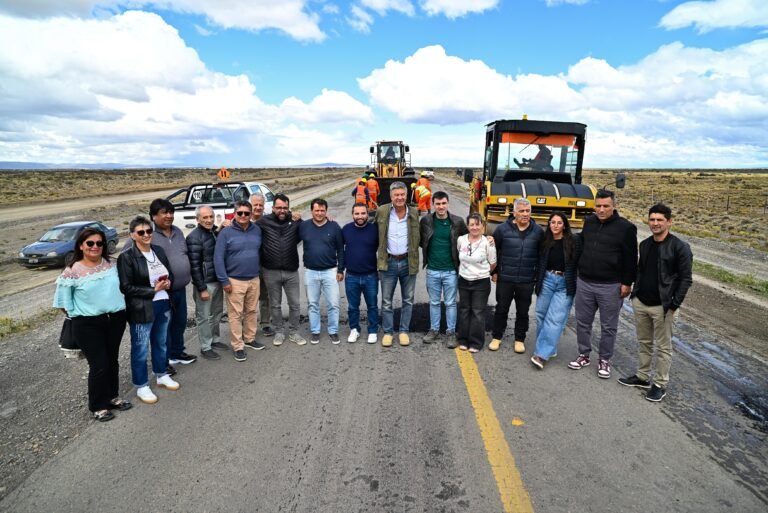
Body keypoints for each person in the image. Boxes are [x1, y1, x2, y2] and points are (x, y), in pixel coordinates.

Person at [53, 228, 129, 422]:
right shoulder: (72, 271)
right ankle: (98, 405)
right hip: (87, 324)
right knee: (99, 364)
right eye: (90, 243)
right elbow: (63, 303)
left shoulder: (112, 264)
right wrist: (83, 314)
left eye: (99, 243)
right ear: (81, 245)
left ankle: (113, 396)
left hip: (115, 319)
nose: (95, 247)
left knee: (112, 360)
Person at [619, 203, 692, 402]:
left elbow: (686, 279)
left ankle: (660, 384)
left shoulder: (680, 247)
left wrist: (674, 305)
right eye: (652, 220)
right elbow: (640, 270)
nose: (655, 223)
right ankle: (642, 377)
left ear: (669, 222)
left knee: (663, 347)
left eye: (660, 220)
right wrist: (635, 293)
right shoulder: (645, 244)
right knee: (644, 342)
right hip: (642, 302)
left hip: (664, 306)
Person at [569, 189, 637, 379]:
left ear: (614, 206)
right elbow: (580, 242)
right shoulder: (589, 222)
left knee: (609, 326)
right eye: (598, 206)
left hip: (611, 286)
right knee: (583, 322)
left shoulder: (626, 228)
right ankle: (584, 354)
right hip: (585, 282)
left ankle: (605, 359)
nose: (601, 209)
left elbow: (631, 258)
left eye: (606, 206)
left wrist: (626, 283)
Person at [118, 216, 180, 404]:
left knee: (161, 342)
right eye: (141, 232)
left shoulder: (158, 251)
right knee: (140, 347)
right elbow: (126, 287)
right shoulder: (127, 257)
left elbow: (170, 274)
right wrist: (152, 290)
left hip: (162, 303)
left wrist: (168, 283)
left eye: (149, 231)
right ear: (132, 235)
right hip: (142, 308)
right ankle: (141, 385)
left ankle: (161, 374)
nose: (146, 235)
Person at [489, 198, 543, 353]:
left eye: (527, 211)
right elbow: (494, 253)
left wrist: (537, 277)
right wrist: (494, 272)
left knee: (523, 311)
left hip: (526, 280)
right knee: (501, 309)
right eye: (521, 211)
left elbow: (541, 256)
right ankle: (496, 337)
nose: (525, 214)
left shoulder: (538, 231)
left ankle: (519, 339)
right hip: (505, 278)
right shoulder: (501, 229)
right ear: (514, 212)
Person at [148, 199, 197, 368]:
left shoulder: (177, 232)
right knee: (163, 328)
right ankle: (162, 362)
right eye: (164, 213)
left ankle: (176, 353)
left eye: (171, 212)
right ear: (154, 216)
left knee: (179, 322)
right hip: (161, 292)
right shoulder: (148, 235)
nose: (169, 216)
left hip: (180, 288)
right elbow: (128, 257)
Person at [214, 200, 263, 362]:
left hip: (254, 278)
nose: (243, 216)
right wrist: (224, 280)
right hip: (234, 280)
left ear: (251, 214)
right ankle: (238, 345)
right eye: (240, 213)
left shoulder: (257, 230)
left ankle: (249, 338)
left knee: (251, 311)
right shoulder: (226, 232)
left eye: (246, 213)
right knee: (235, 315)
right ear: (235, 214)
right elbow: (218, 258)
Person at [531, 212, 581, 369]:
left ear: (564, 225)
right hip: (547, 279)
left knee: (555, 319)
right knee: (541, 315)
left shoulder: (574, 241)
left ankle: (541, 354)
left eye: (559, 223)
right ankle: (548, 348)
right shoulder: (545, 241)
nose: (556, 225)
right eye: (552, 222)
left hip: (564, 283)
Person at [257, 193, 307, 346]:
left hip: (291, 271)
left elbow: (311, 228)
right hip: (270, 271)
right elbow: (244, 228)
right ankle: (278, 331)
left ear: (289, 208)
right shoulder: (263, 222)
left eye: (285, 208)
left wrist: (328, 219)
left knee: (295, 304)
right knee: (275, 304)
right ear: (272, 208)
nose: (282, 210)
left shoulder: (295, 221)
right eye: (278, 207)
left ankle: (294, 332)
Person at [375, 181, 421, 347]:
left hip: (409, 262)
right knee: (386, 301)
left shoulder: (414, 213)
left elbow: (423, 234)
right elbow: (371, 230)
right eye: (396, 195)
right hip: (388, 263)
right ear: (391, 196)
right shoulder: (382, 211)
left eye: (402, 195)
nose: (399, 198)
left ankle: (403, 331)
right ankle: (388, 332)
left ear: (406, 195)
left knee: (408, 300)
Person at [420, 191, 468, 347]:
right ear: (433, 204)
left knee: (450, 303)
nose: (441, 207)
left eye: (443, 203)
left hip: (450, 271)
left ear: (448, 204)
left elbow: (469, 240)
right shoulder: (426, 221)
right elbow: (422, 241)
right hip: (432, 270)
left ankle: (450, 332)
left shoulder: (458, 222)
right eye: (438, 204)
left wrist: (488, 238)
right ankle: (434, 330)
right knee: (434, 302)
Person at [298, 198, 344, 344]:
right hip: (310, 272)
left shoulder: (334, 227)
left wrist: (340, 269)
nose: (319, 213)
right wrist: (294, 216)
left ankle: (333, 330)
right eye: (316, 210)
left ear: (326, 211)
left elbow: (340, 250)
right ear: (311, 210)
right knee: (313, 304)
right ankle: (315, 331)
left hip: (330, 271)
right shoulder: (304, 226)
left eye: (322, 210)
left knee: (333, 304)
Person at [186, 206, 228, 360]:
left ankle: (215, 340)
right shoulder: (193, 238)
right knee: (203, 316)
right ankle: (205, 346)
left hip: (217, 280)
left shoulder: (213, 233)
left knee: (216, 313)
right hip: (205, 284)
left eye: (211, 216)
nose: (209, 220)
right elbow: (195, 266)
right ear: (197, 219)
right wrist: (201, 288)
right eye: (205, 217)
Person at [456, 213, 497, 353]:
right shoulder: (461, 240)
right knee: (464, 310)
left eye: (477, 224)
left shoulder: (488, 242)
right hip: (463, 280)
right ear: (467, 226)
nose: (474, 227)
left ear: (482, 225)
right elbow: (459, 256)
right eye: (471, 224)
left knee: (478, 312)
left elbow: (493, 263)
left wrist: (481, 272)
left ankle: (475, 342)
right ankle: (462, 339)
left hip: (481, 282)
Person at [342, 202, 379, 344]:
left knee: (372, 305)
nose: (360, 216)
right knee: (352, 306)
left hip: (371, 275)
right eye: (357, 213)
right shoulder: (345, 230)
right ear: (352, 214)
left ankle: (373, 330)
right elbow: (340, 250)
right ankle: (354, 329)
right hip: (351, 275)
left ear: (367, 214)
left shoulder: (374, 229)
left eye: (363, 213)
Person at [250, 192, 275, 338]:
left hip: (265, 265)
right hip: (247, 267)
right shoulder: (243, 220)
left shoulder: (267, 221)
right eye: (255, 205)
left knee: (265, 296)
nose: (258, 207)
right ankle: (248, 324)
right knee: (249, 297)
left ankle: (265, 323)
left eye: (260, 205)